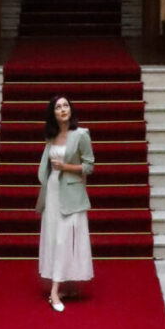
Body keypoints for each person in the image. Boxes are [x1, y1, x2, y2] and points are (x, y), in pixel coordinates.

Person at [37, 94, 94, 311]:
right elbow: (47, 166)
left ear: (71, 109)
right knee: (54, 238)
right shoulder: (51, 137)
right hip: (52, 192)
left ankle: (54, 291)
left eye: (66, 105)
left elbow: (89, 166)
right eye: (58, 107)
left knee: (66, 239)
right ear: (53, 113)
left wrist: (66, 168)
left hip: (71, 194)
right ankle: (66, 286)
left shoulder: (81, 135)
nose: (63, 109)